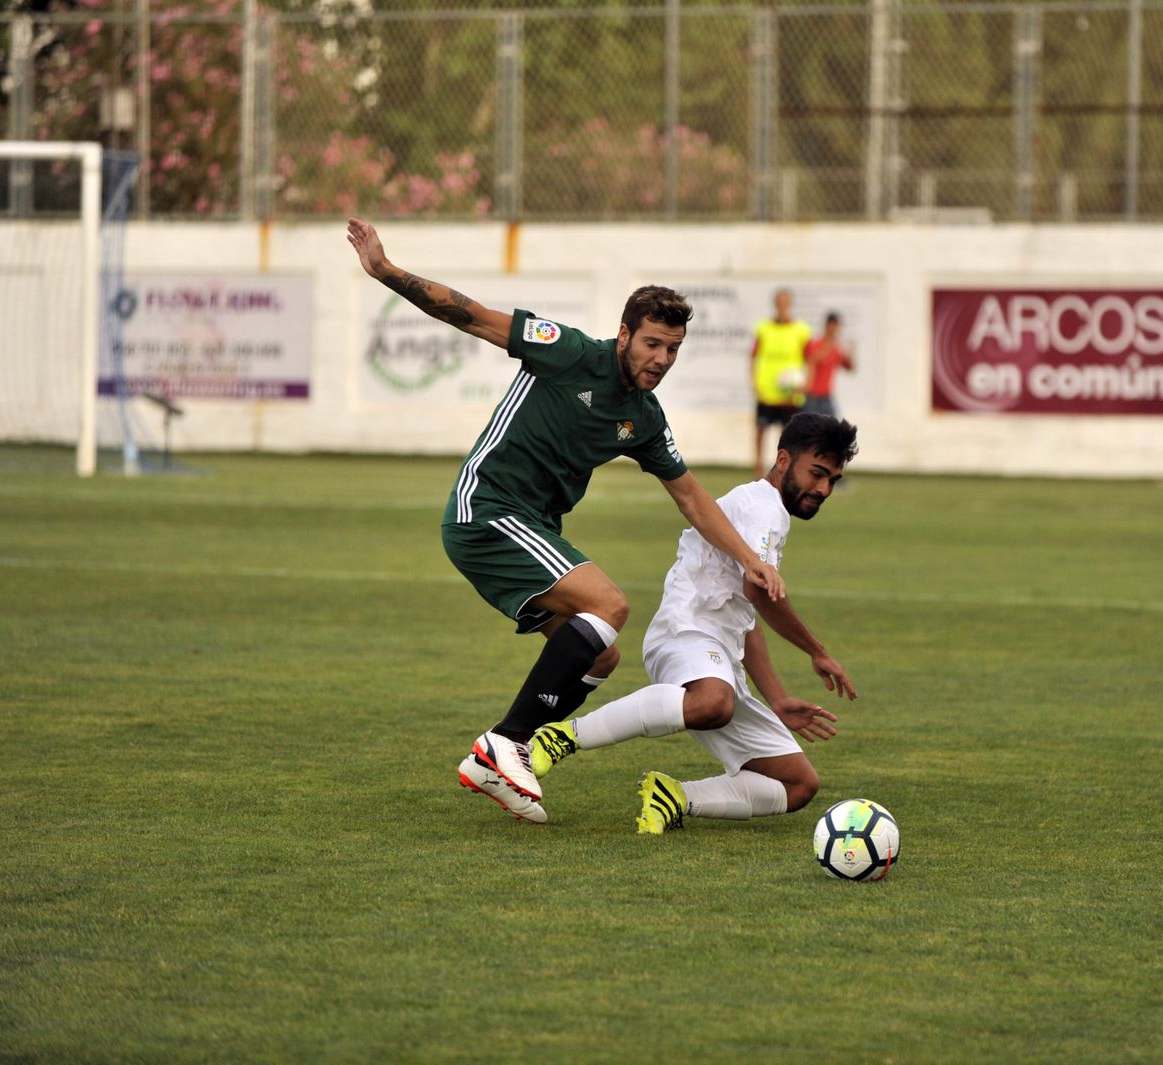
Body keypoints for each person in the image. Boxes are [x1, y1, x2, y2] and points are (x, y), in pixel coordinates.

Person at [345, 217, 785, 825]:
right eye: (652, 344)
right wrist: (386, 271)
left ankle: (506, 754)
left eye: (673, 350)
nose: (660, 359)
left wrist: (751, 559)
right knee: (609, 604)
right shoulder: (569, 350)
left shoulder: (644, 417)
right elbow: (470, 314)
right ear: (624, 334)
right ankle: (506, 742)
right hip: (490, 507)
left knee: (599, 658)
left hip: (527, 524)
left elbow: (692, 498)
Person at [528, 412, 860, 834]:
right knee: (712, 704)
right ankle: (562, 737)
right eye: (817, 473)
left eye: (832, 479)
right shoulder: (763, 507)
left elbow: (746, 614)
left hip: (719, 656)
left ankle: (677, 797)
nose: (824, 488)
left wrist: (776, 697)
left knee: (798, 784)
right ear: (782, 460)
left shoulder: (768, 512)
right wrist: (818, 652)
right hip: (686, 633)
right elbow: (760, 592)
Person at [750, 287, 810, 476]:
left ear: (790, 304)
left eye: (786, 302)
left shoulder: (801, 330)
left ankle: (787, 469)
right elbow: (753, 356)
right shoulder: (764, 328)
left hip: (790, 394)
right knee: (761, 432)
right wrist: (754, 382)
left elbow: (810, 359)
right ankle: (759, 469)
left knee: (789, 435)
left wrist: (805, 383)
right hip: (767, 392)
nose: (783, 306)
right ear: (775, 304)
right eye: (779, 302)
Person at [802, 312, 856, 418]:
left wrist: (851, 354)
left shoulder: (837, 348)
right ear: (827, 325)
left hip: (827, 397)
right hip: (812, 398)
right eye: (833, 325)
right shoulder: (815, 344)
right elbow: (813, 359)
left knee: (834, 430)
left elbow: (849, 368)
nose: (835, 329)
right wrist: (831, 346)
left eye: (837, 326)